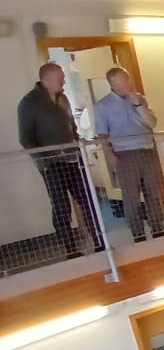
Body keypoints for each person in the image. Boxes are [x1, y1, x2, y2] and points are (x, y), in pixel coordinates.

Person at [17, 62, 104, 258]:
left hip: (73, 160)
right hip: (52, 165)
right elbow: (26, 138)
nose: (64, 82)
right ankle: (70, 249)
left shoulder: (63, 98)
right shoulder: (29, 103)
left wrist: (77, 144)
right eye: (60, 78)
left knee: (88, 201)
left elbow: (71, 126)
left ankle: (100, 242)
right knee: (61, 207)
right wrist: (43, 162)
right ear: (46, 79)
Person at [95, 67, 164, 243]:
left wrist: (138, 105)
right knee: (131, 196)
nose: (126, 84)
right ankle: (138, 233)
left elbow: (152, 123)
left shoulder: (140, 99)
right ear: (112, 84)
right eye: (122, 81)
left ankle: (158, 228)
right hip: (123, 154)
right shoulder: (102, 106)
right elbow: (102, 135)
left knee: (153, 192)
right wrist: (109, 156)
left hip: (147, 150)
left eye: (127, 80)